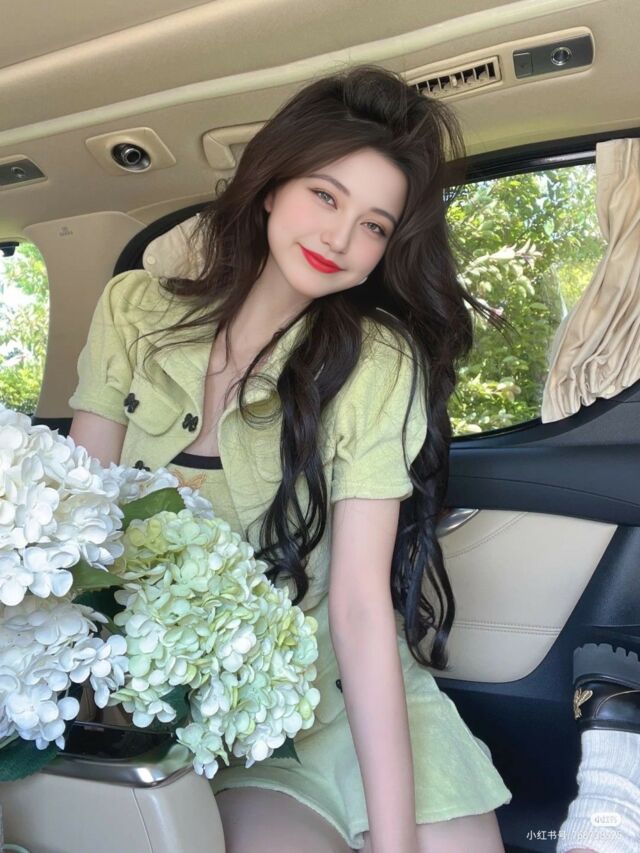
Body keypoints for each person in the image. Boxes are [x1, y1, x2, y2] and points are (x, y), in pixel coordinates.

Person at [68, 64, 523, 853]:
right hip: (219, 717)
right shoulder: (133, 312)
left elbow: (359, 606)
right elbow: (80, 538)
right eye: (325, 196)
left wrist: (395, 843)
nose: (341, 239)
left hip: (342, 688)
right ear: (273, 185)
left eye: (374, 225)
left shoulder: (378, 361)